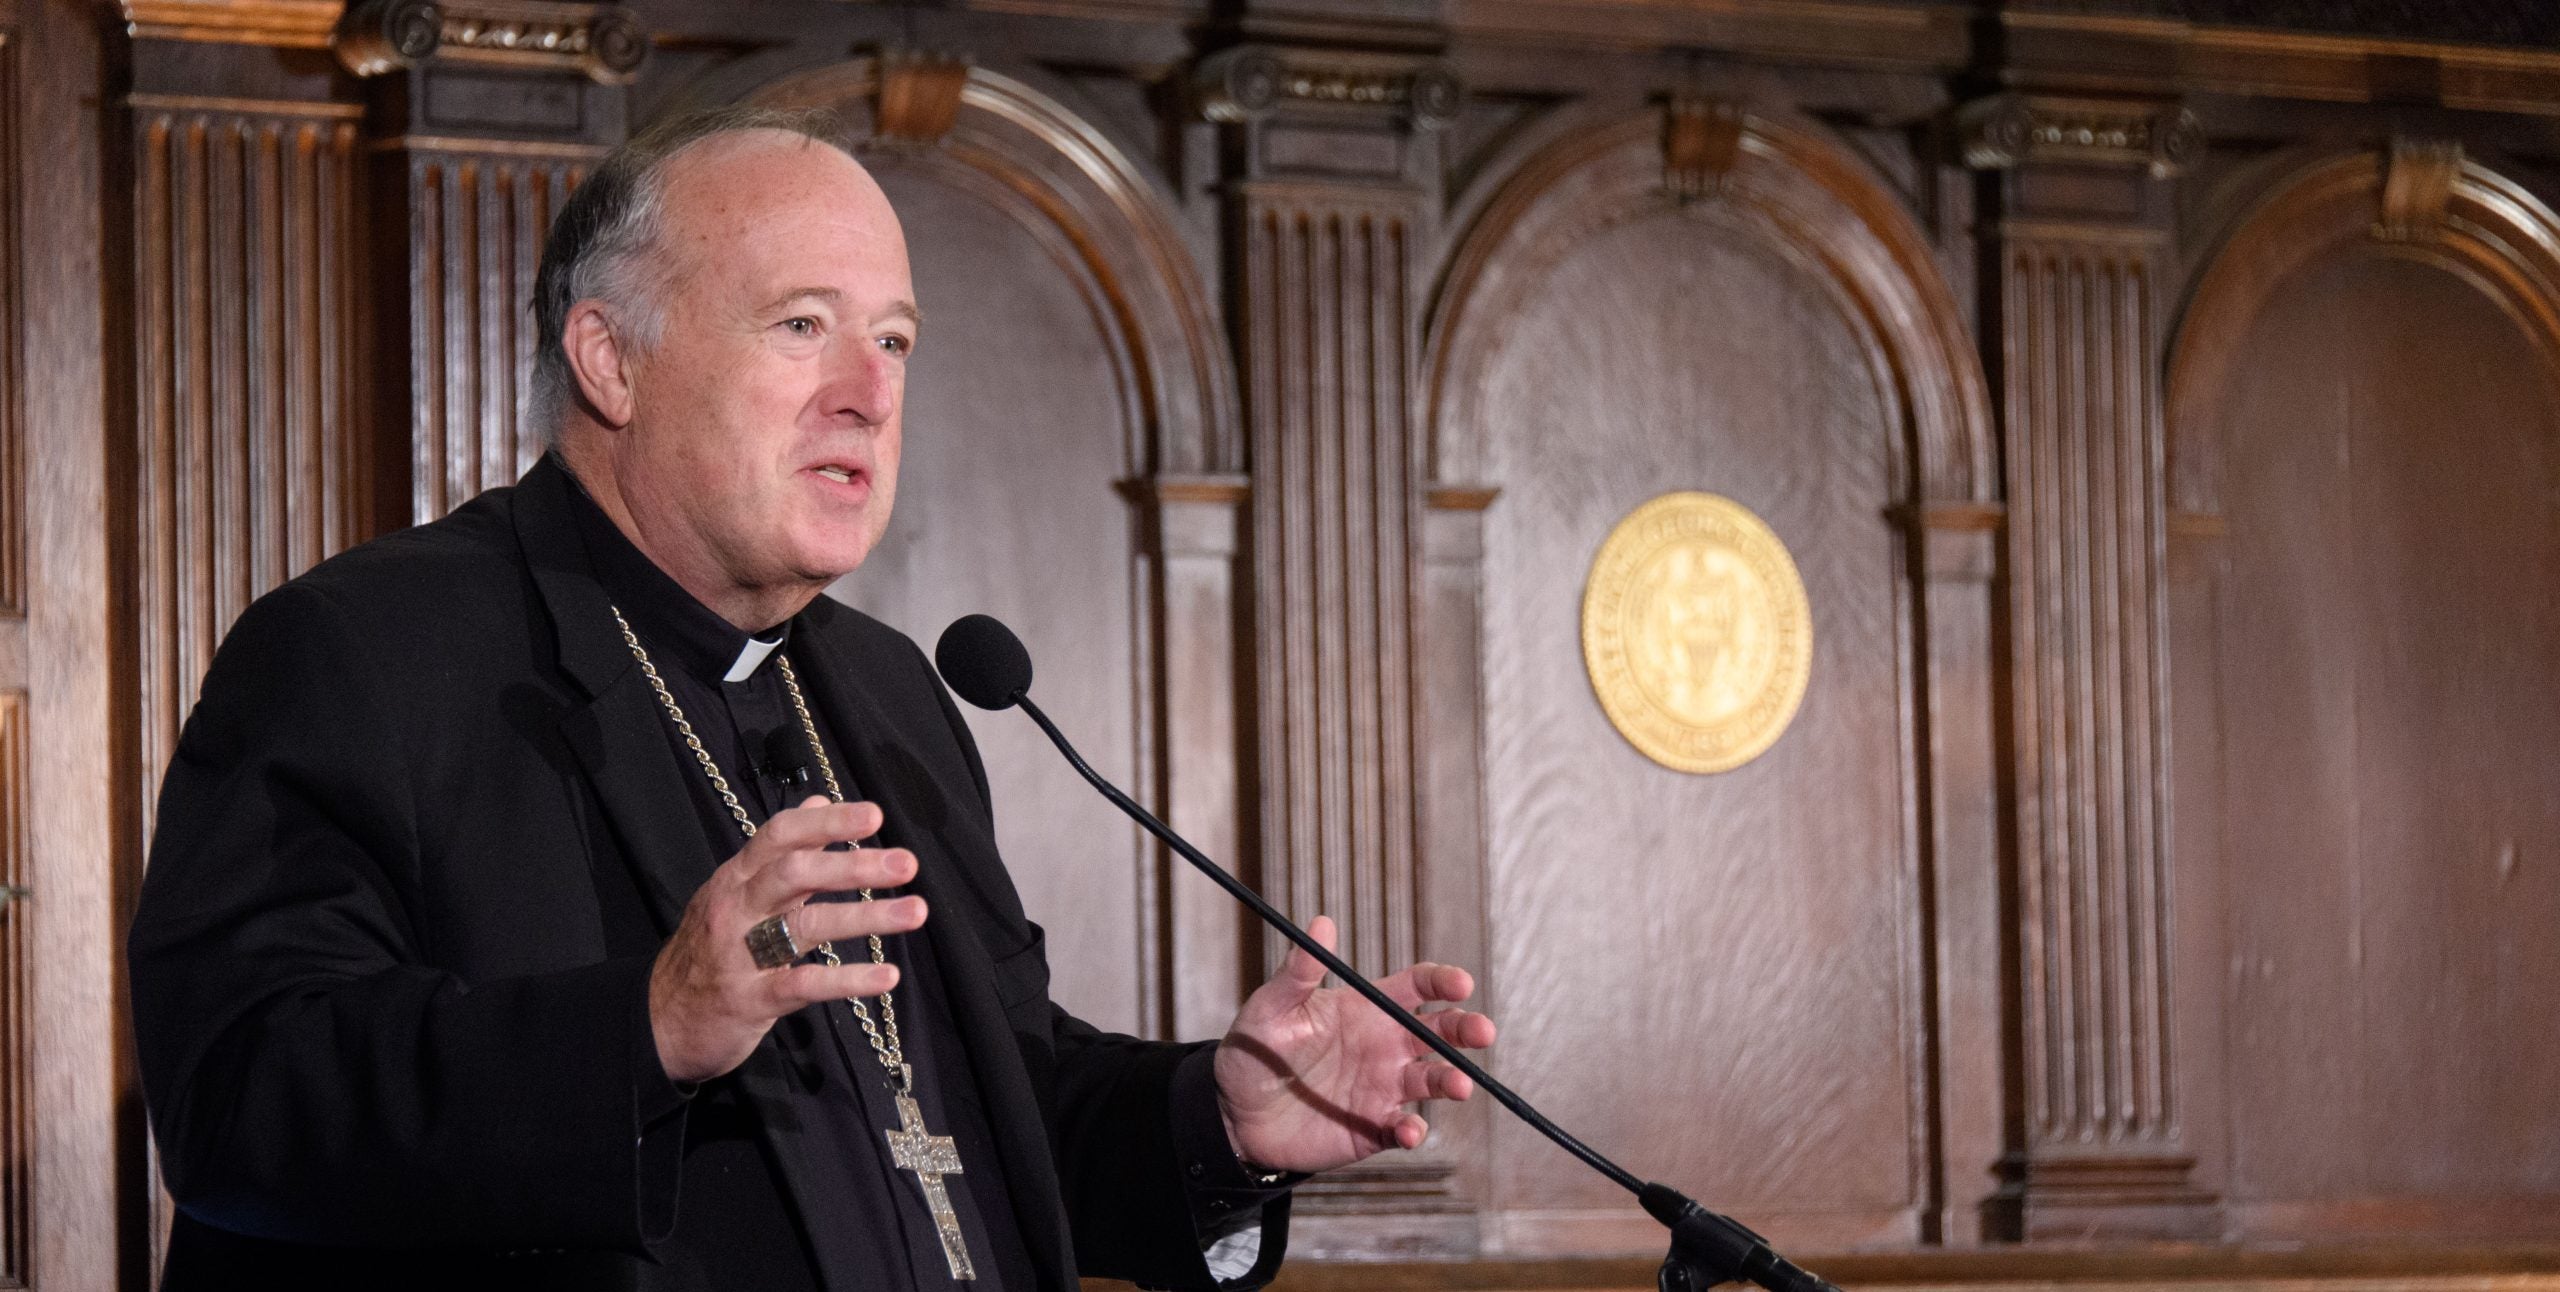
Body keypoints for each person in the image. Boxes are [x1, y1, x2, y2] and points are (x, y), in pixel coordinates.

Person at [127, 105, 1495, 1291]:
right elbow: (237, 1100)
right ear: (610, 360)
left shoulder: (890, 691)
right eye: (803, 328)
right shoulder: (364, 654)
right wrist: (649, 1026)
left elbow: (980, 1117)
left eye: (895, 343)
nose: (868, 395)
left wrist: (1222, 1121)